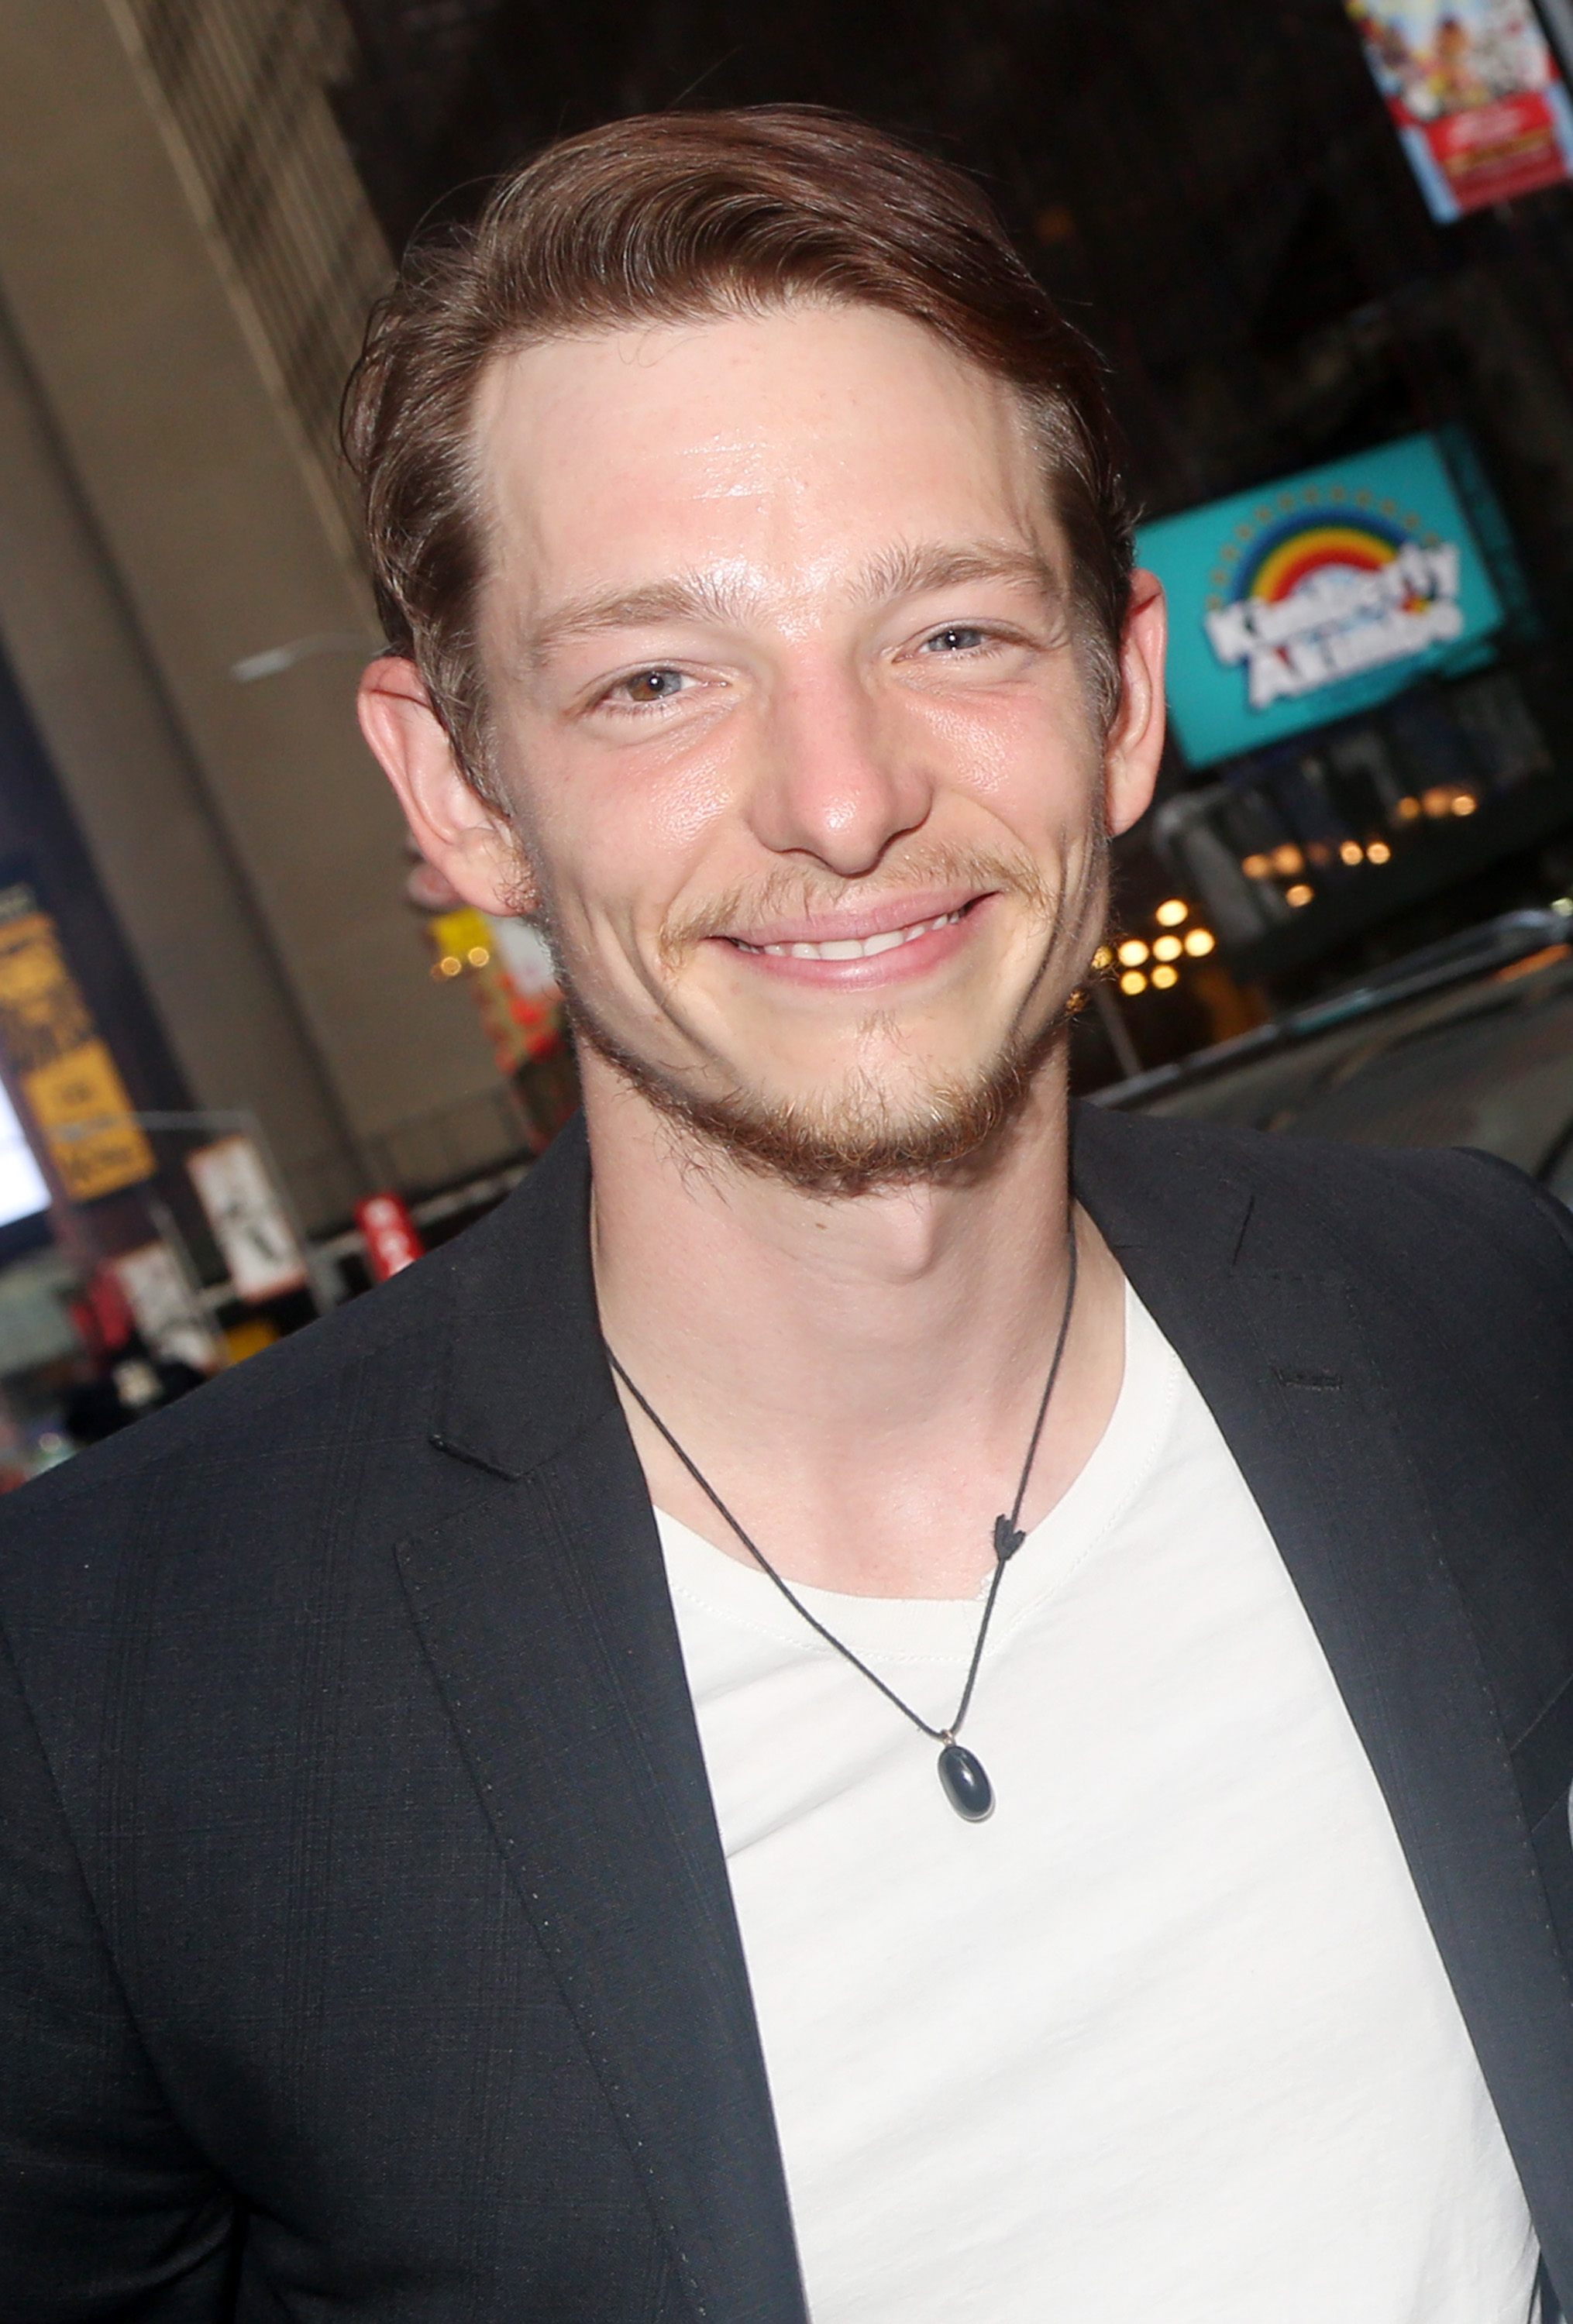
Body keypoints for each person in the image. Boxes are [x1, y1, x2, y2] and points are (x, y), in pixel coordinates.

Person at [4, 107, 1573, 2324]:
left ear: (1123, 700)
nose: (843, 801)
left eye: (949, 631)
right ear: (462, 792)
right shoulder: (102, 1707)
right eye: (656, 678)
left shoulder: (1470, 1307)